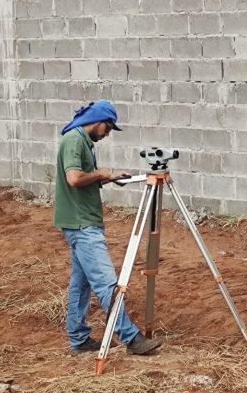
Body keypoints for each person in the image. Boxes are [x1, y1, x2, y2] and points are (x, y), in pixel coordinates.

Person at [54, 100, 162, 355]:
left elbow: (84, 180)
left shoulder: (83, 142)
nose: (108, 133)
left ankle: (79, 340)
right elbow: (74, 179)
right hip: (82, 225)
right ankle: (131, 338)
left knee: (81, 285)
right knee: (106, 282)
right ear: (97, 120)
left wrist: (110, 177)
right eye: (108, 127)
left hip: (81, 222)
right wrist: (101, 174)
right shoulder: (75, 140)